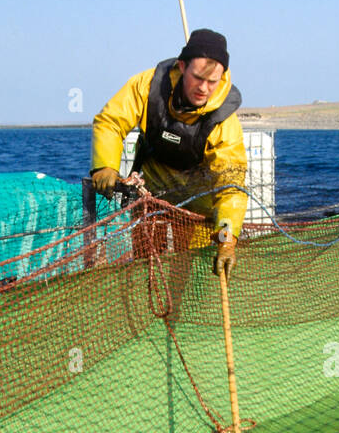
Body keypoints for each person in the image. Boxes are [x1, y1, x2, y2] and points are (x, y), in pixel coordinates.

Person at [90, 28, 246, 277]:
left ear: (223, 76)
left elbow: (231, 188)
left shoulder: (224, 123)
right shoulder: (148, 85)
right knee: (147, 272)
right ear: (182, 66)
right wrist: (105, 166)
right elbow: (110, 121)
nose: (203, 89)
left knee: (191, 274)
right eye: (197, 77)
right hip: (151, 200)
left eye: (212, 82)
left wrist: (227, 239)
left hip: (198, 212)